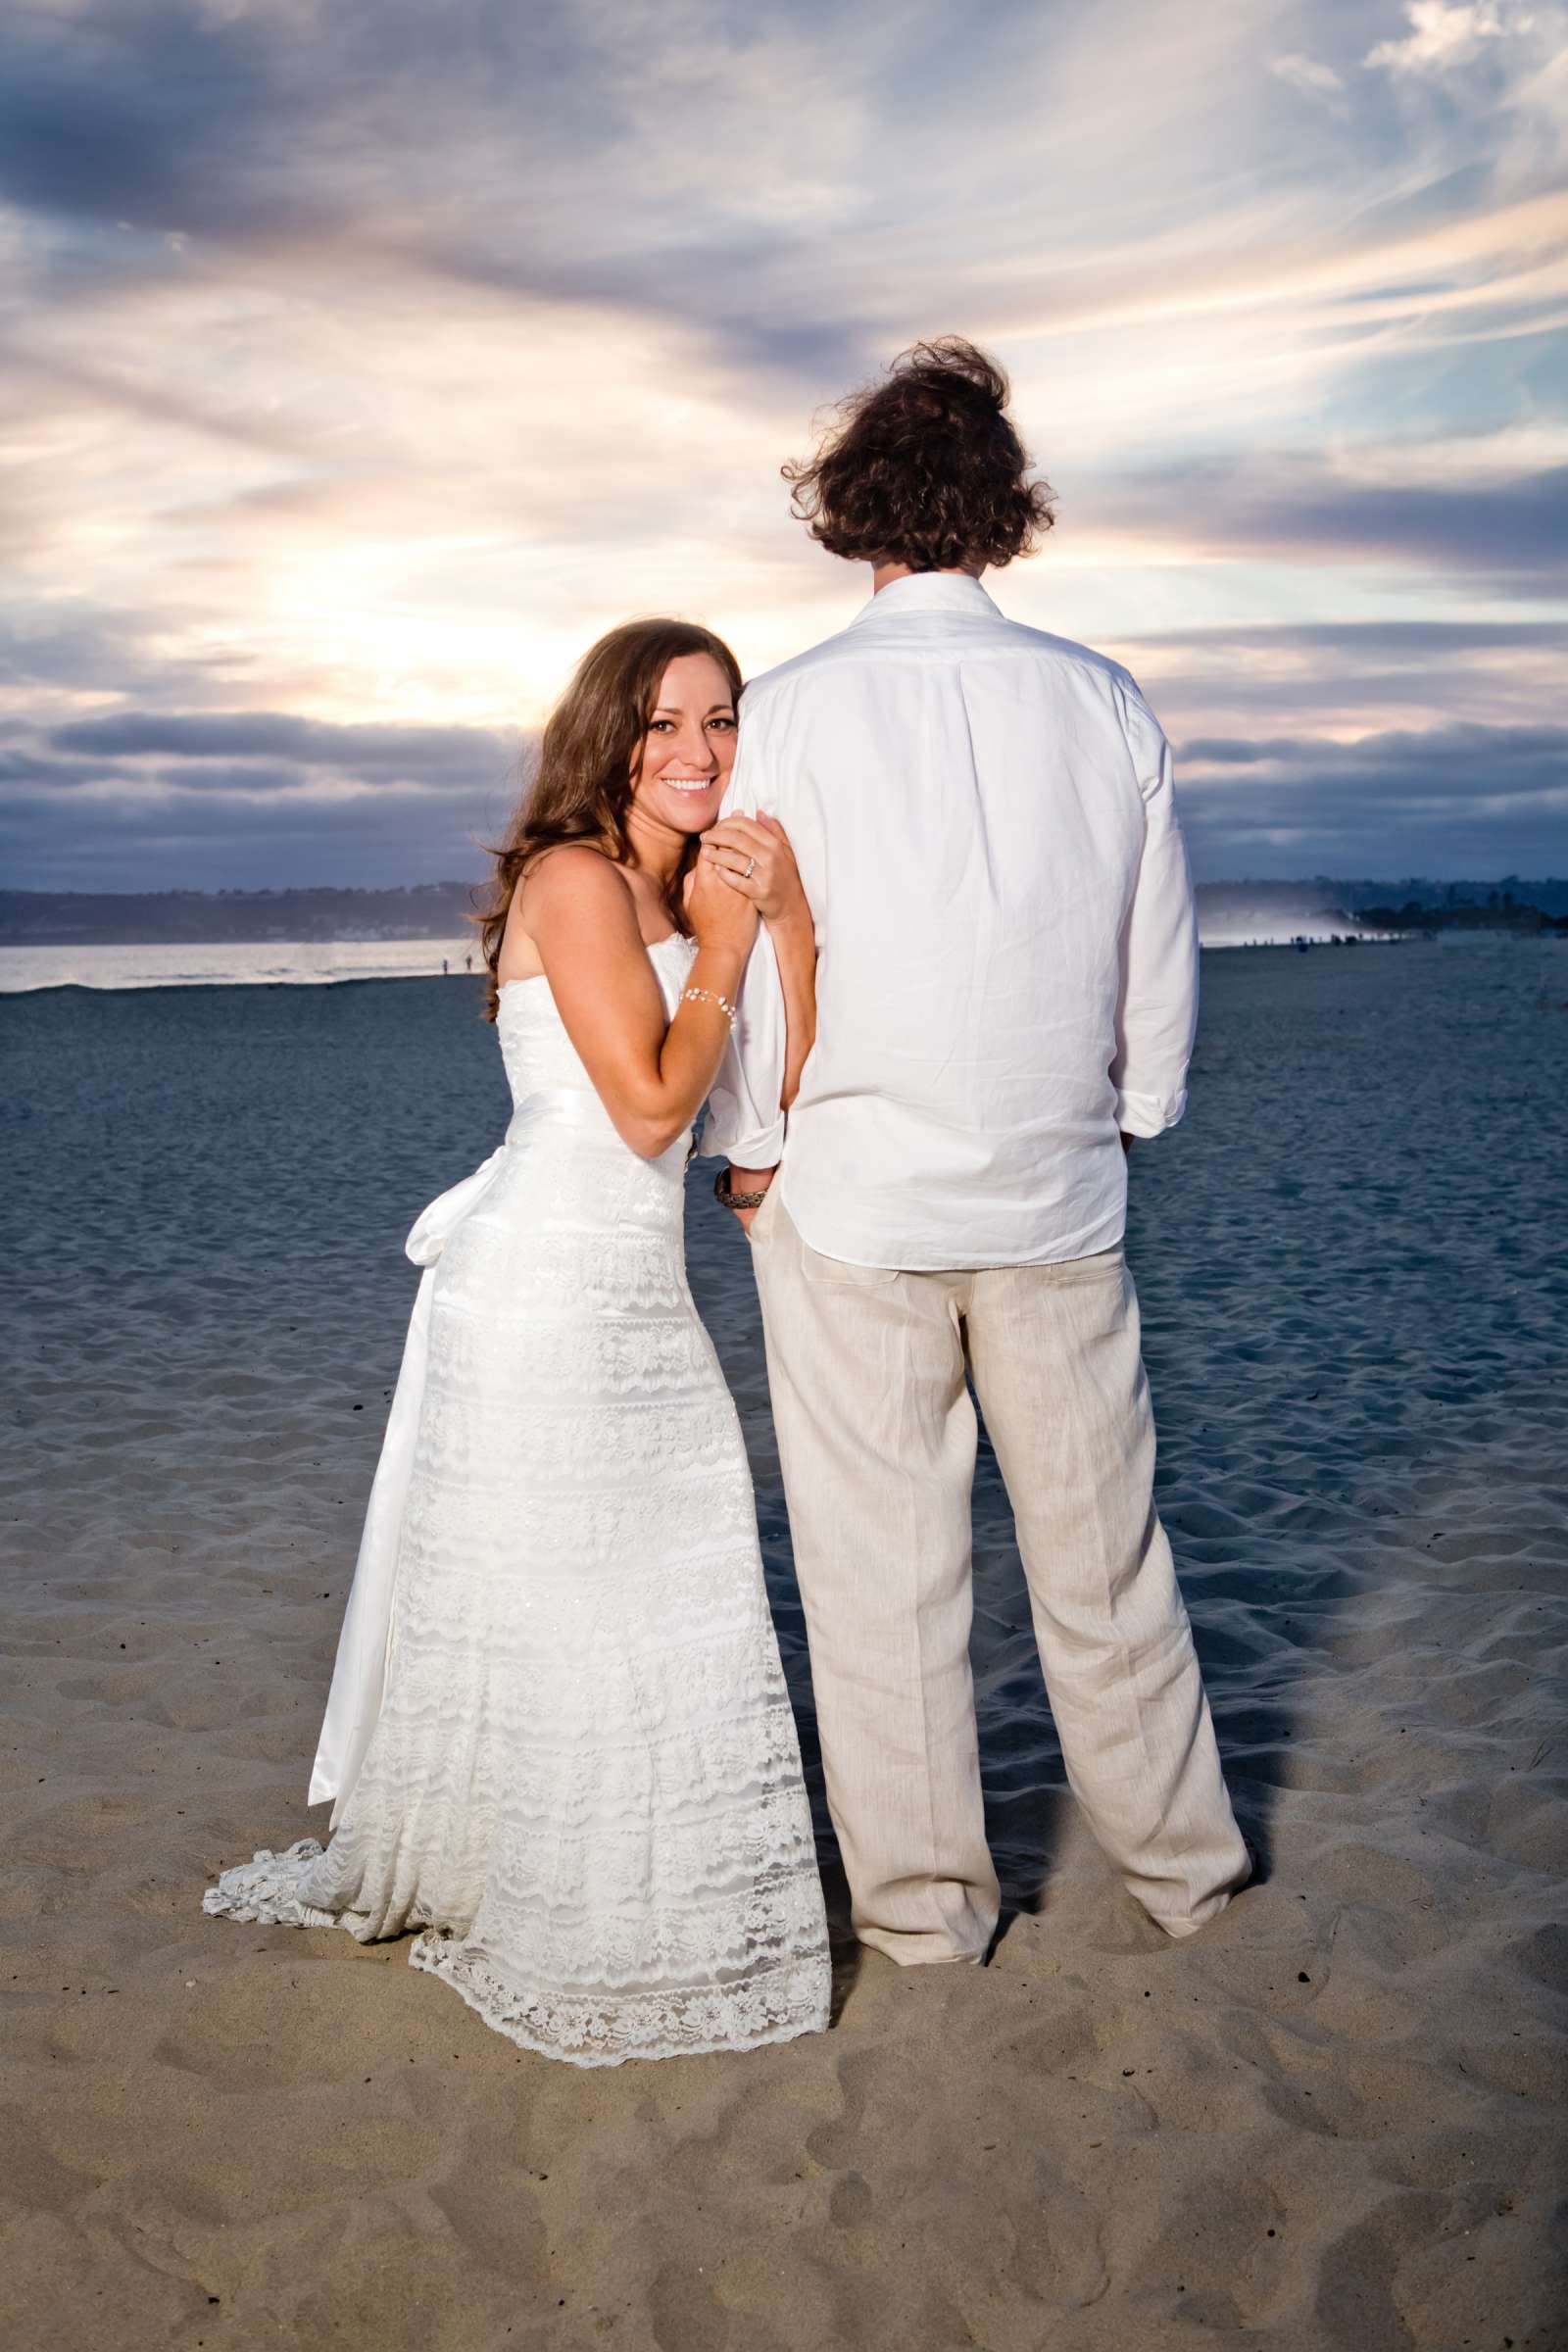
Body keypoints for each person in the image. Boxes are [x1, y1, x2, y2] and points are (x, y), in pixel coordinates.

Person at [205, 620, 832, 2066]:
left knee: (656, 1586)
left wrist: (786, 922)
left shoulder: (688, 885)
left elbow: (766, 1116)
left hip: (638, 1293)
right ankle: (552, 1897)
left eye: (722, 723)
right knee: (571, 1602)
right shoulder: (574, 879)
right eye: (665, 724)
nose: (698, 752)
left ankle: (640, 1894)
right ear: (607, 735)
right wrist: (733, 949)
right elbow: (651, 1109)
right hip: (542, 1292)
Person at [700, 337, 1252, 1963]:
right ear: (1003, 514)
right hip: (1056, 1190)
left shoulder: (785, 716)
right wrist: (1134, 1110)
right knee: (1107, 1561)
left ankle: (933, 1921)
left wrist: (749, 1145)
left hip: (854, 1199)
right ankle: (1187, 1879)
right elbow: (1159, 952)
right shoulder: (1103, 703)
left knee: (886, 1583)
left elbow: (749, 953)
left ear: (856, 509)